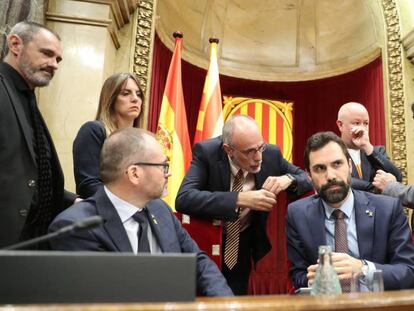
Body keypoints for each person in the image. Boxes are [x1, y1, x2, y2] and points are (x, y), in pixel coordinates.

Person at [49, 128, 233, 297]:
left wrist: (225, 303)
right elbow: (98, 298)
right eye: (163, 166)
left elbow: (200, 262)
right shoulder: (76, 226)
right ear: (134, 173)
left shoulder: (161, 210)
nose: (167, 174)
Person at [176, 115, 313, 295]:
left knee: (236, 296)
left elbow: (308, 178)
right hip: (209, 242)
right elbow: (184, 198)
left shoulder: (271, 154)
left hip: (243, 243)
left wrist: (288, 178)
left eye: (260, 147)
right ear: (228, 149)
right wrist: (239, 199)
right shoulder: (207, 152)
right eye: (249, 151)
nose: (258, 157)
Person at [286, 131, 414, 291]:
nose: (330, 175)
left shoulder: (388, 209)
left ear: (349, 166)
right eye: (319, 168)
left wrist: (363, 269)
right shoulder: (297, 214)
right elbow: (298, 275)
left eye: (337, 164)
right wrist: (313, 279)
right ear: (309, 176)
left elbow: (408, 272)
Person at [0, 21, 77, 248]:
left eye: (58, 59)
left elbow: (31, 175)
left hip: (31, 244)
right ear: (15, 44)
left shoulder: (29, 99)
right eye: (47, 54)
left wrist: (73, 201)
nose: (54, 64)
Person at [73, 72, 144, 199]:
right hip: (104, 213)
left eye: (138, 94)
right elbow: (88, 185)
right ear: (111, 98)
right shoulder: (93, 130)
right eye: (126, 93)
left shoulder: (143, 142)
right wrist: (129, 202)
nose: (135, 99)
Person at [336, 102, 402, 192]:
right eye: (356, 123)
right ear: (340, 125)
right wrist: (377, 187)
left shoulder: (377, 151)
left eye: (366, 123)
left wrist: (367, 147)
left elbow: (397, 178)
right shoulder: (333, 154)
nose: (362, 128)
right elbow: (341, 180)